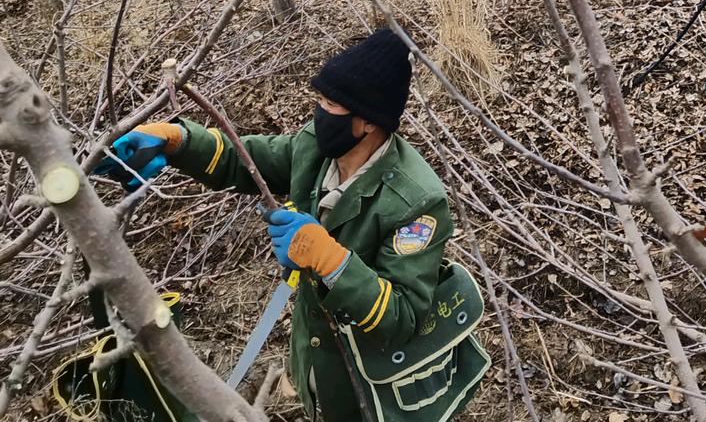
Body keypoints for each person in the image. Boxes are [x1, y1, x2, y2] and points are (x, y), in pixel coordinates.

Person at [95, 27, 489, 422]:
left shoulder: (416, 201)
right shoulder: (318, 148)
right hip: (318, 353)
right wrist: (177, 140)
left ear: (368, 121)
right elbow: (247, 160)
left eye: (330, 103)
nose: (318, 112)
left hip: (373, 382)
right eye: (318, 98)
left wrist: (332, 261)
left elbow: (402, 317)